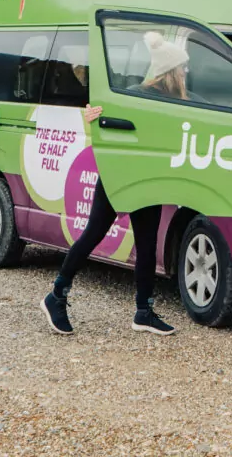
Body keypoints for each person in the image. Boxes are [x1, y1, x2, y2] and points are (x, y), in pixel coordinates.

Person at [40, 32, 189, 337]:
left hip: (150, 178)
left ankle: (144, 312)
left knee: (147, 246)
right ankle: (56, 296)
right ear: (170, 71)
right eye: (182, 68)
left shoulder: (179, 104)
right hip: (119, 175)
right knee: (94, 233)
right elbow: (103, 115)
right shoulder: (139, 94)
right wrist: (93, 115)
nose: (186, 73)